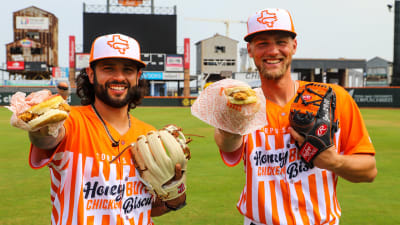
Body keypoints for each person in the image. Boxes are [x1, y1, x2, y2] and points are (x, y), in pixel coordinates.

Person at [214, 9, 377, 225]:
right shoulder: (243, 104)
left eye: (281, 42)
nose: (272, 51)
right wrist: (230, 124)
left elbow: (369, 170)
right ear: (250, 50)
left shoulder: (334, 98)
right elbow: (227, 144)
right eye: (262, 43)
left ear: (294, 46)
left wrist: (333, 161)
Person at [28, 33, 185, 224]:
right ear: (92, 74)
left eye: (128, 70)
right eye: (108, 68)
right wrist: (42, 125)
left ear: (138, 77)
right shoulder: (71, 121)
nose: (119, 77)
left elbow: (145, 207)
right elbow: (45, 139)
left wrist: (174, 192)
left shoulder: (148, 136)